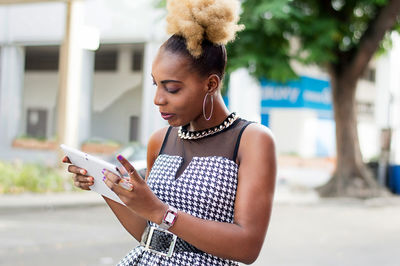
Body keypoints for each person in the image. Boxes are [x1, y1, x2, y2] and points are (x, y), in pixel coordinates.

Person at [62, 0, 276, 265]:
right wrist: (106, 187)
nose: (158, 99)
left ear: (210, 84)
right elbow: (148, 233)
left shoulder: (251, 140)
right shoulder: (160, 141)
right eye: (156, 85)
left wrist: (161, 211)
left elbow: (247, 247)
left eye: (172, 88)